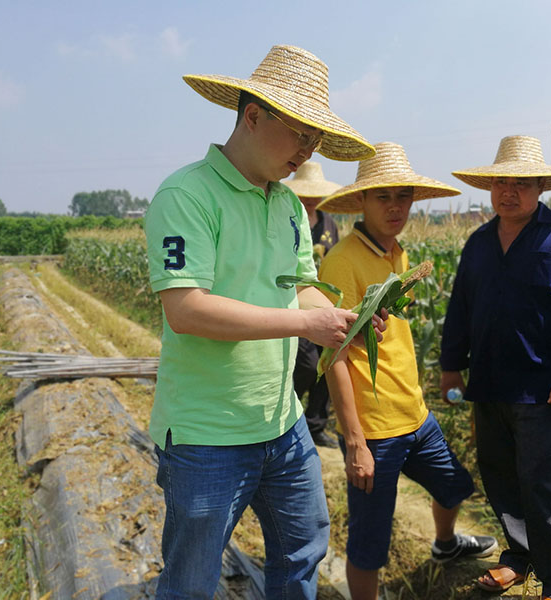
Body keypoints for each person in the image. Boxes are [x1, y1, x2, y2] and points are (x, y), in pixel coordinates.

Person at [144, 45, 382, 599]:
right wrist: (302, 327)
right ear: (253, 116)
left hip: (282, 422)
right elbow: (186, 310)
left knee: (303, 548)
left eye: (316, 140)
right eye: (300, 133)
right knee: (191, 582)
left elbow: (299, 288)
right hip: (207, 435)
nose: (308, 150)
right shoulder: (187, 195)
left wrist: (338, 318)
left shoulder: (290, 206)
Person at [316, 142, 498, 600]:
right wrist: (354, 439)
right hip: (374, 430)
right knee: (370, 542)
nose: (396, 207)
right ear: (361, 200)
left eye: (403, 196)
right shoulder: (341, 261)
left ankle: (444, 546)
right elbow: (334, 356)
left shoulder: (397, 253)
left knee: (455, 486)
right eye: (384, 197)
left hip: (415, 416)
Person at [441, 135, 551, 599]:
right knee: (501, 476)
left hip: (544, 389)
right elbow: (460, 308)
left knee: (546, 485)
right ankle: (519, 555)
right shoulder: (478, 243)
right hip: (490, 384)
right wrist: (452, 366)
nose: (508, 192)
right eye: (500, 182)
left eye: (521, 183)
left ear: (541, 188)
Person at [285, 160, 342, 448]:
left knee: (329, 365)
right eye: (305, 196)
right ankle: (287, 417)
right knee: (307, 365)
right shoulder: (288, 219)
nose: (310, 201)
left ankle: (316, 425)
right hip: (297, 305)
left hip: (326, 303)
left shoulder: (329, 223)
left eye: (314, 196)